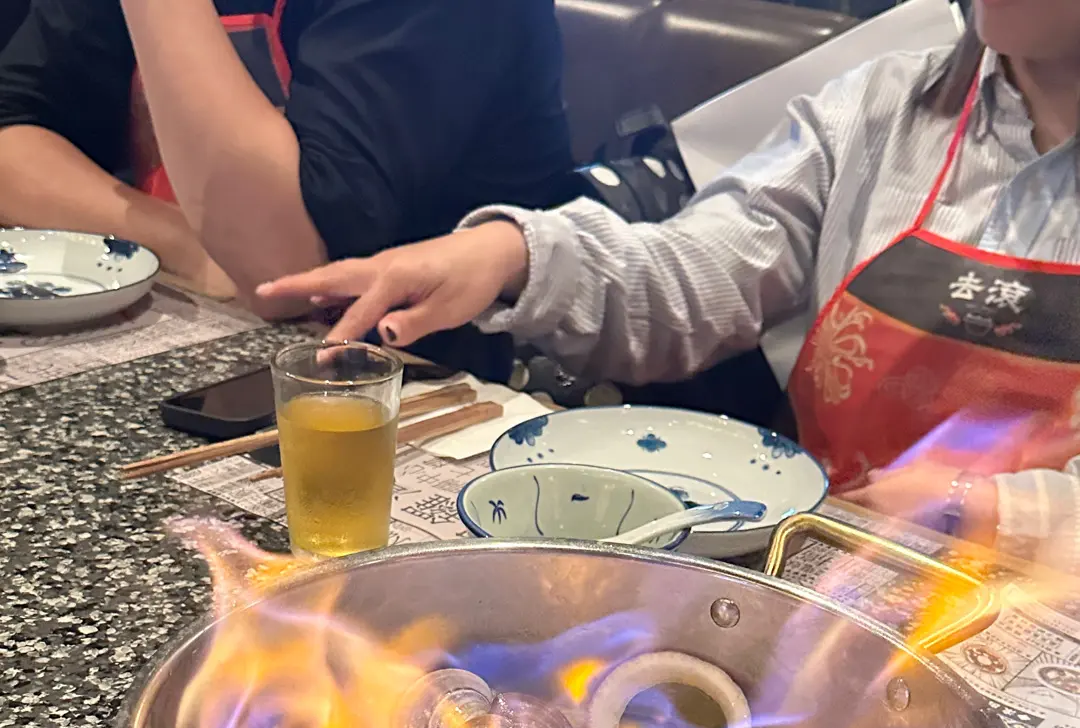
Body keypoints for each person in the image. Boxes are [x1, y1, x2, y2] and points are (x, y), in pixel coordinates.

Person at [260, 0, 1080, 573]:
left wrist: (990, 512)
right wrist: (513, 254)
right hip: (823, 573)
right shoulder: (878, 108)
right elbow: (700, 277)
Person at [0, 0, 574, 323]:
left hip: (438, 384)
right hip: (213, 333)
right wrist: (185, 245)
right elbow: (12, 133)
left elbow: (285, 269)